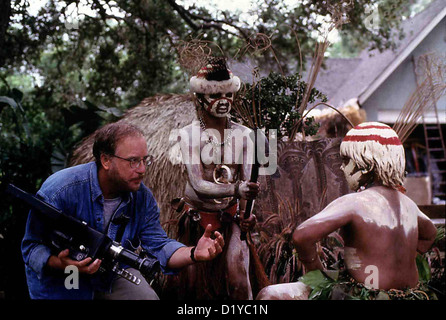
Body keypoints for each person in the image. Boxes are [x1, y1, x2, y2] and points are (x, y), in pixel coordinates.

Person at [21, 121, 224, 300]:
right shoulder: (61, 190)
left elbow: (159, 245)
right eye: (133, 161)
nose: (142, 169)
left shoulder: (142, 198)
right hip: (67, 276)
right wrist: (62, 264)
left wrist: (194, 253)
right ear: (106, 160)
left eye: (146, 160)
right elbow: (31, 247)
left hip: (111, 273)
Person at [257, 122, 437, 300]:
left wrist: (319, 275)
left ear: (365, 165)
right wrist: (402, 261)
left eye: (346, 161)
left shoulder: (356, 202)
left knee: (269, 295)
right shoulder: (409, 205)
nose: (342, 168)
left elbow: (302, 235)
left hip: (360, 295)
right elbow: (430, 233)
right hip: (407, 295)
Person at [169, 57, 260, 300]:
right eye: (216, 96)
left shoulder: (244, 135)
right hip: (197, 218)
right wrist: (238, 189)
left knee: (239, 279)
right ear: (200, 98)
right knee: (188, 285)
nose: (224, 102)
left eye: (229, 95)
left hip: (231, 218)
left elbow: (250, 184)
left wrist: (249, 212)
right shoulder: (189, 136)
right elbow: (198, 185)